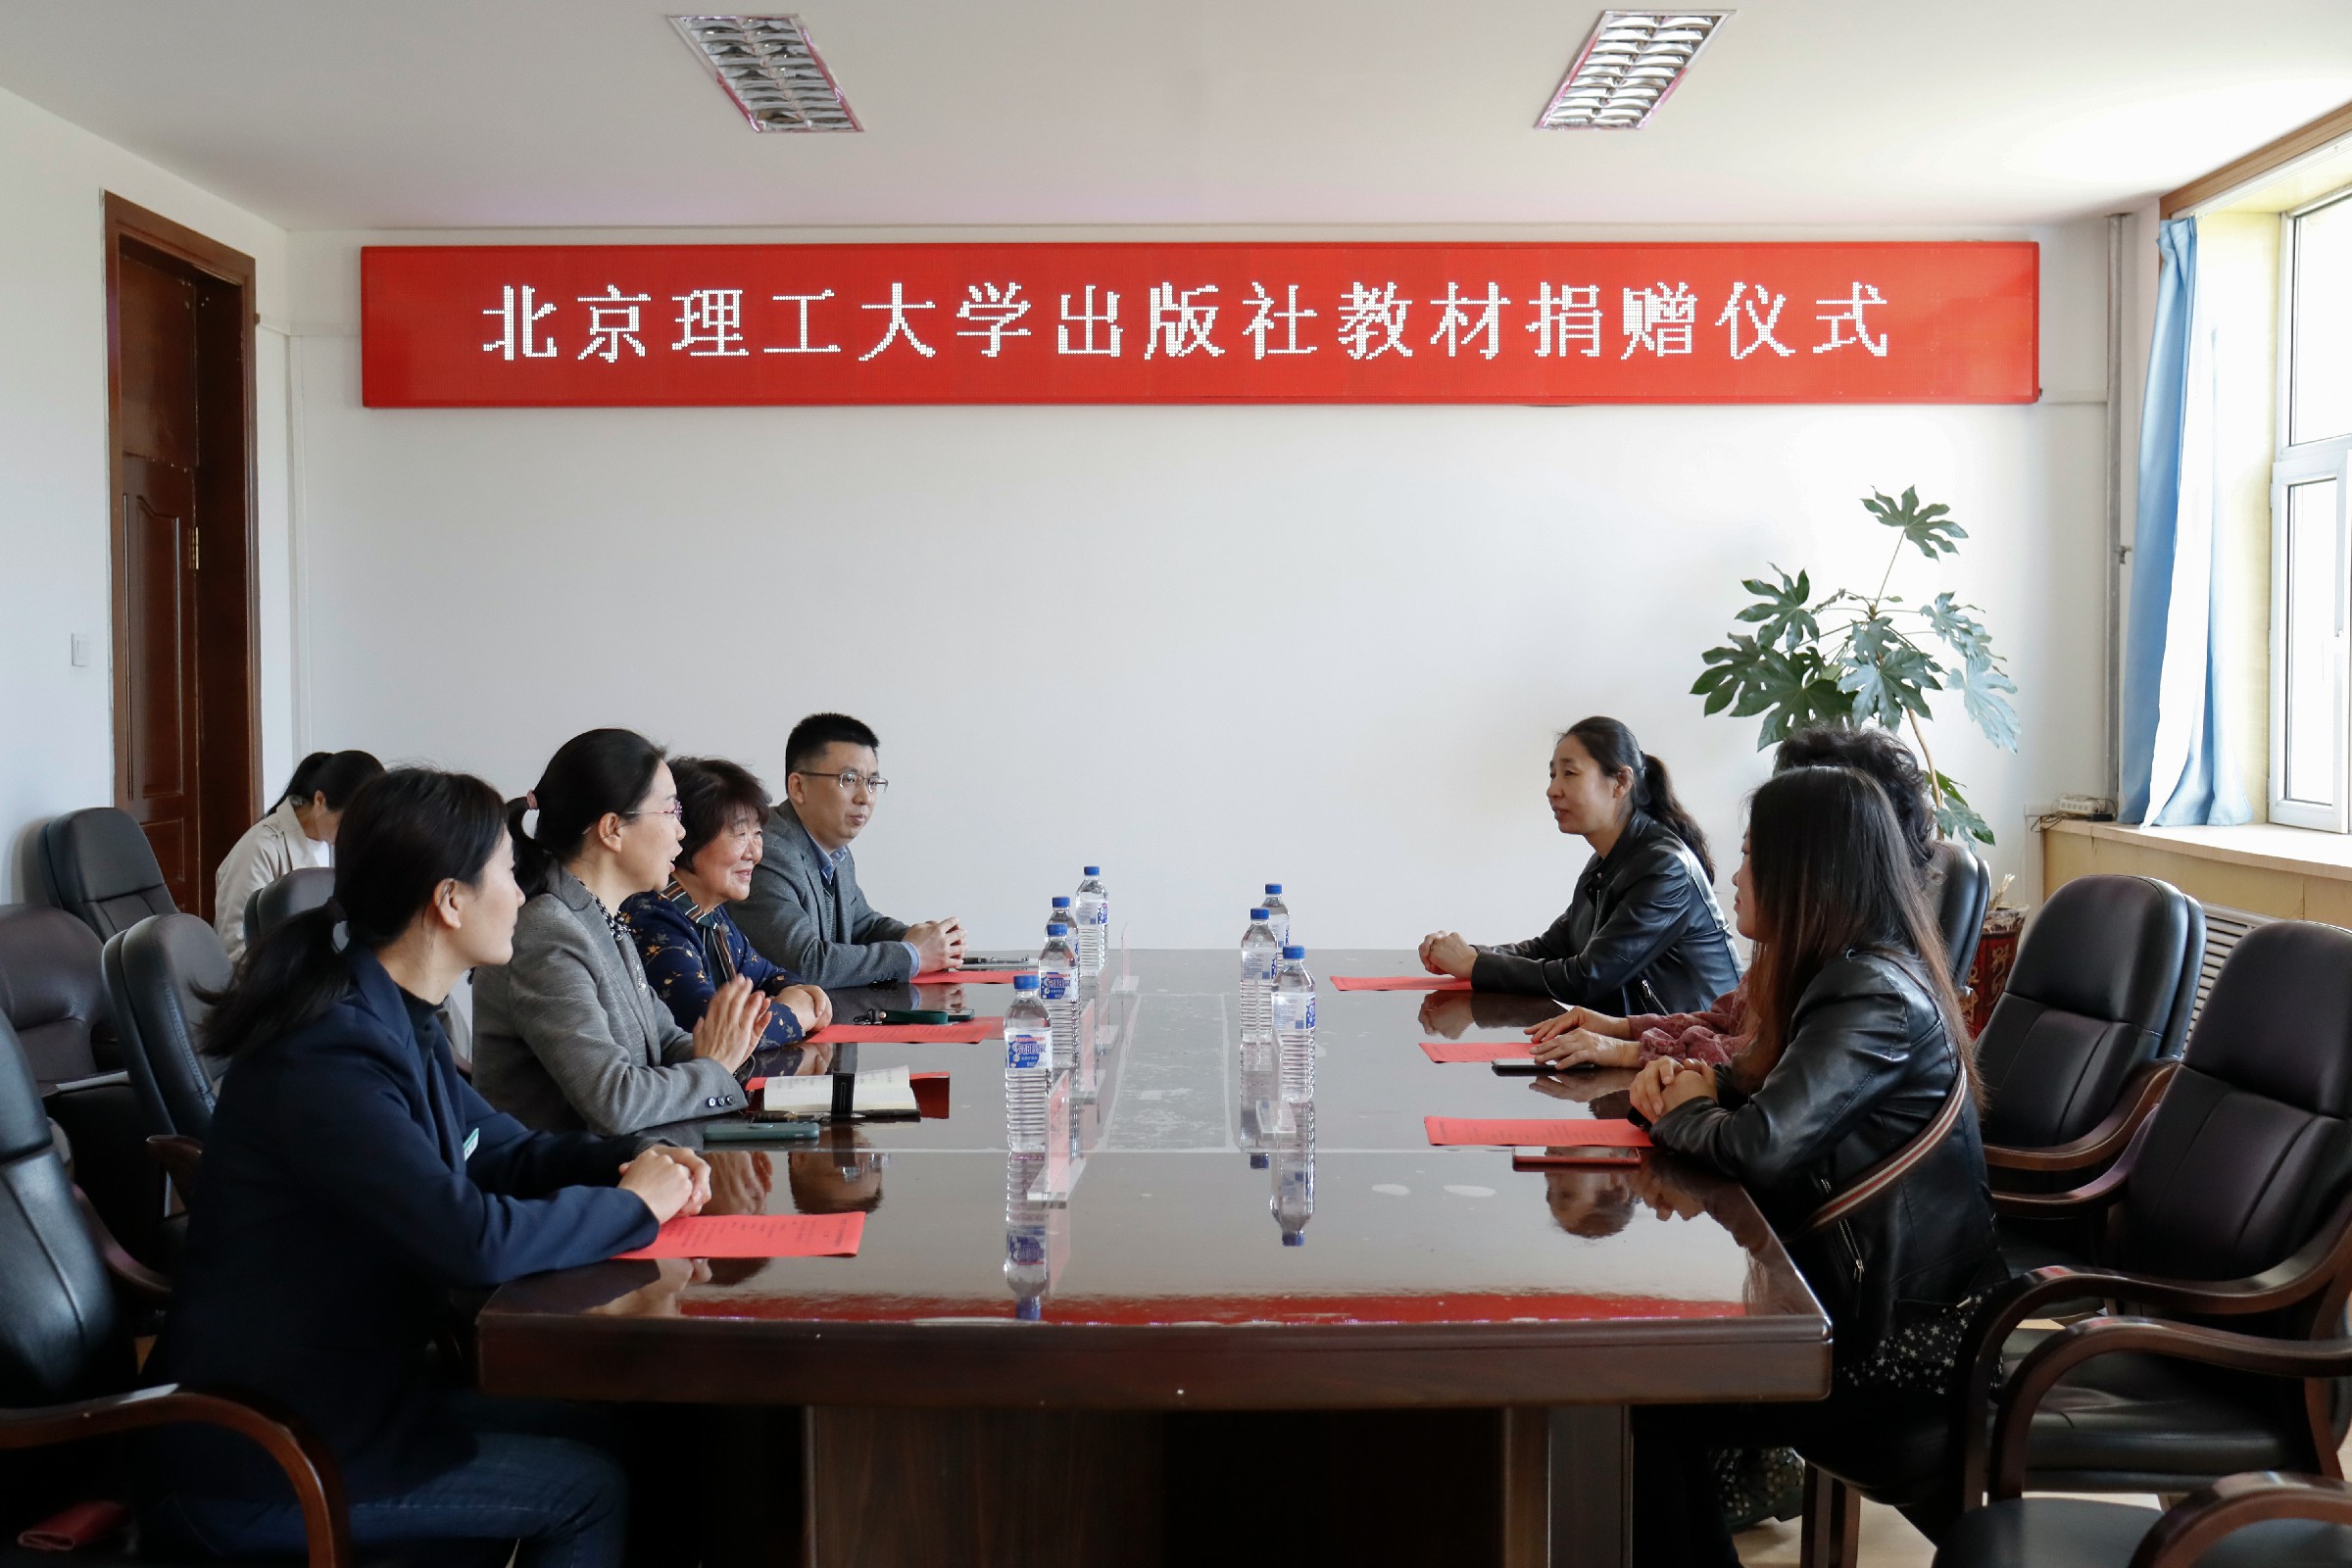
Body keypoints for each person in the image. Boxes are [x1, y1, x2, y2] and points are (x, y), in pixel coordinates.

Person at [142, 766, 711, 1568]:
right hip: (267, 1457)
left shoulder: (398, 1019)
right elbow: (470, 1241)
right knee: (589, 1488)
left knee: (613, 1436)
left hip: (354, 1404)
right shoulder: (330, 1053)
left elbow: (501, 1151)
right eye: (508, 873)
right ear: (449, 901)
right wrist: (634, 1208)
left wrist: (631, 1157)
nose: (522, 894)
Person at [1624, 765, 2002, 1568]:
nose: (1735, 875)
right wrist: (1691, 1086)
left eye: (1751, 856)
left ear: (1807, 872)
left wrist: (1685, 1111)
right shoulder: (1849, 974)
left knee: (1641, 1398)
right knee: (1645, 1396)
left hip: (1904, 1350)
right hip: (1859, 1304)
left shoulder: (1872, 993)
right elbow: (1765, 1099)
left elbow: (1761, 1145)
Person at [1526, 723, 1939, 1070]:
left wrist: (1632, 1053)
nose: (1738, 877)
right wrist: (1621, 1030)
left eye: (1756, 854)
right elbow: (1727, 1025)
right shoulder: (1801, 957)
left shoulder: (1864, 990)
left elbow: (1753, 1085)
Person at [471, 729, 770, 1142]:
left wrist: (729, 1052)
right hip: (563, 1176)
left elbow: (663, 1042)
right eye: (671, 812)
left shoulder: (600, 914)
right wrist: (714, 1069)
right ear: (612, 829)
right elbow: (614, 1102)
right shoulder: (546, 934)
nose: (681, 831)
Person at [1417, 716, 1737, 1013]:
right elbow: (1550, 948)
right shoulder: (1606, 862)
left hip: (1697, 1048)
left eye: (1569, 774)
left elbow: (1588, 977)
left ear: (1621, 782)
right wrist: (1468, 954)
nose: (1552, 790)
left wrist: (1474, 965)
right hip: (1643, 1042)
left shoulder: (1664, 867)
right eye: (1553, 775)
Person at [622, 757, 834, 1081]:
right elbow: (715, 1032)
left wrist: (800, 991)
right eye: (739, 834)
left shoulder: (710, 913)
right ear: (686, 836)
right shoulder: (654, 919)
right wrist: (798, 1012)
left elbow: (768, 974)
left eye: (757, 833)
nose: (755, 853)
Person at [732, 712, 964, 989]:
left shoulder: (836, 852)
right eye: (849, 779)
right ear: (798, 787)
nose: (864, 797)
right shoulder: (767, 852)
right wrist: (911, 955)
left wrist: (927, 940)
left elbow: (862, 926)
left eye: (872, 783)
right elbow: (805, 965)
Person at [212, 749, 383, 963]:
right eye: (348, 823)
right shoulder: (260, 848)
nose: (356, 834)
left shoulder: (340, 844)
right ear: (320, 801)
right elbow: (238, 947)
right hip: (275, 979)